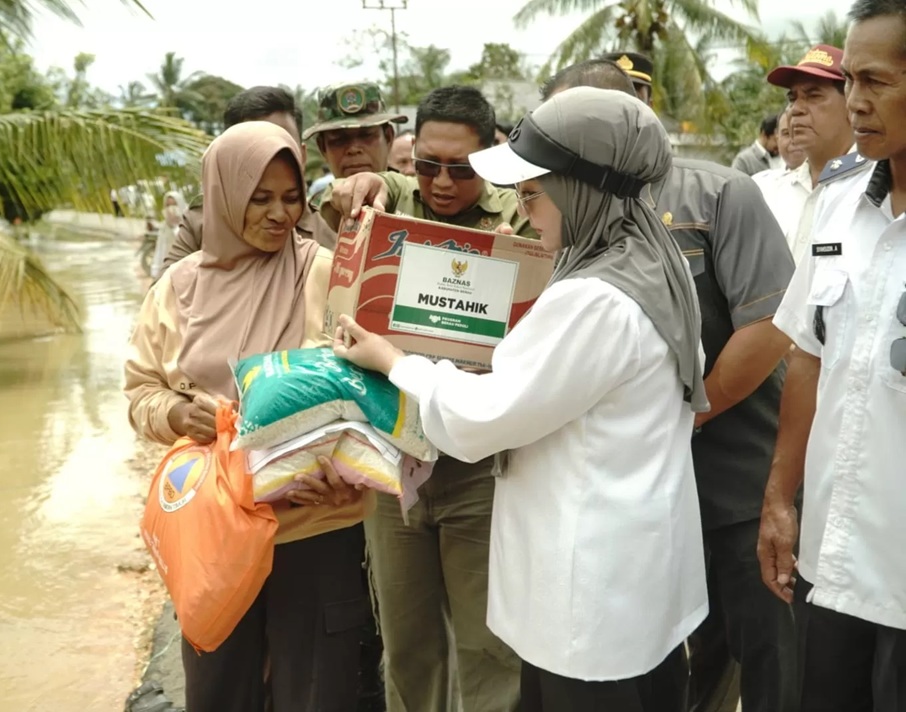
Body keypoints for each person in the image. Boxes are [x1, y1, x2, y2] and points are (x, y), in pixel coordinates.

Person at [334, 86, 709, 712]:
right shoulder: (655, 260)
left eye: (533, 194)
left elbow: (483, 418)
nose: (527, 213)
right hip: (637, 572)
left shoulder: (589, 298)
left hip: (587, 591)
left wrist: (396, 362)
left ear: (580, 189)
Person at [543, 59, 798, 712]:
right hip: (631, 503)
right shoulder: (560, 213)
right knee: (674, 673)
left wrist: (688, 413)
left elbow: (770, 326)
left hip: (732, 487)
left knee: (770, 663)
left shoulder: (717, 196)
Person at [125, 122, 371, 712]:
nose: (278, 214)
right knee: (219, 690)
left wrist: (351, 473)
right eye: (259, 199)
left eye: (291, 198)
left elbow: (370, 385)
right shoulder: (177, 289)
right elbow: (140, 394)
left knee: (317, 692)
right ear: (223, 197)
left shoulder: (326, 272)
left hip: (316, 524)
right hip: (215, 531)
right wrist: (181, 414)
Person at [323, 85, 533, 712]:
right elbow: (335, 195)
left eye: (461, 169)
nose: (442, 183)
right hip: (390, 461)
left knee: (489, 645)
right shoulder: (389, 197)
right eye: (428, 165)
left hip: (477, 467)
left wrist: (518, 263)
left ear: (490, 158)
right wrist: (351, 192)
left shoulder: (519, 215)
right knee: (409, 644)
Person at [758, 1, 906, 709]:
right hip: (834, 559)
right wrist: (780, 500)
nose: (856, 101)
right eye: (850, 81)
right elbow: (808, 357)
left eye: (875, 81)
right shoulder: (837, 209)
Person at [161, 86, 337, 273]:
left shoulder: (330, 225)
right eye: (253, 150)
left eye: (283, 146)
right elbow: (166, 293)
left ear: (301, 155)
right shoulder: (201, 223)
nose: (270, 157)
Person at [765, 44, 863, 263]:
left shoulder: (877, 193)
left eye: (813, 95)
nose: (796, 109)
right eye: (792, 98)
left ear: (850, 105)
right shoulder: (768, 192)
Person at [304, 82, 406, 190]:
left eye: (366, 135)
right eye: (339, 139)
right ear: (322, 148)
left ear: (388, 138)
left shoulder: (418, 200)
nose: (353, 149)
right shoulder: (311, 206)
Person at [752, 111, 811, 240]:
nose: (793, 140)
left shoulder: (827, 185)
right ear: (777, 137)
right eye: (786, 133)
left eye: (799, 132)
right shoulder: (760, 185)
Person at [149, 190, 184, 280]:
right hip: (167, 273)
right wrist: (156, 272)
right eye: (168, 205)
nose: (171, 208)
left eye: (174, 205)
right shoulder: (164, 228)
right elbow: (160, 251)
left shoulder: (188, 224)